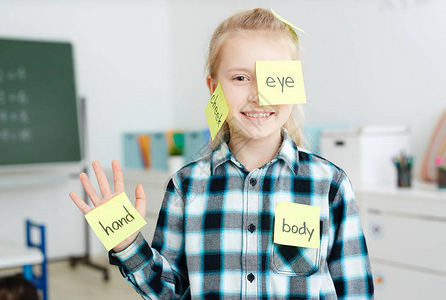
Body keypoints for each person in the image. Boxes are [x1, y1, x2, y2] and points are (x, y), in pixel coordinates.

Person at [70, 8, 374, 299]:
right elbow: (170, 292)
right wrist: (127, 244)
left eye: (274, 78)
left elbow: (355, 290)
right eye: (240, 78)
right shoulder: (186, 187)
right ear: (214, 87)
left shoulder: (329, 185)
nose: (257, 95)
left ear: (293, 84)